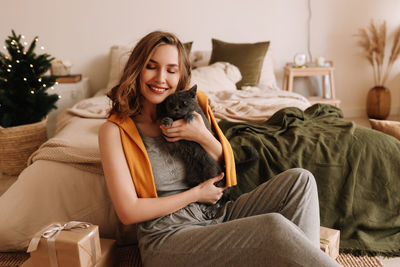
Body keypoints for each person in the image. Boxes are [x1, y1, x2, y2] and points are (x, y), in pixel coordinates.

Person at [98, 30, 340, 267]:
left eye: (171, 70)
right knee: (272, 227)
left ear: (180, 75)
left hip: (213, 214)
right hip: (167, 236)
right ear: (137, 68)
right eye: (151, 67)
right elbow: (128, 211)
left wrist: (203, 136)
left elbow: (226, 169)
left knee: (301, 181)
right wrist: (195, 194)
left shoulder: (194, 107)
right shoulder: (114, 131)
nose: (161, 78)